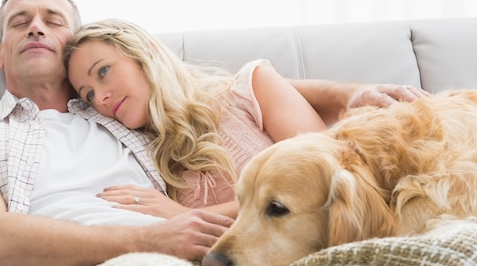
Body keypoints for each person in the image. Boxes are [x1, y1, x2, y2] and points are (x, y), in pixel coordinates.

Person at [0, 0, 425, 266]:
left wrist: (346, 94)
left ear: (74, 42)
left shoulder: (122, 114)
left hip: (206, 263)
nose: (36, 26)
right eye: (19, 21)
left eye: (52, 18)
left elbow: (232, 91)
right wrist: (151, 240)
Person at [63, 18, 428, 219]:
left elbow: (324, 181)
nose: (102, 97)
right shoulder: (144, 159)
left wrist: (180, 216)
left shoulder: (249, 89)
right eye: (88, 94)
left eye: (104, 71)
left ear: (146, 53)